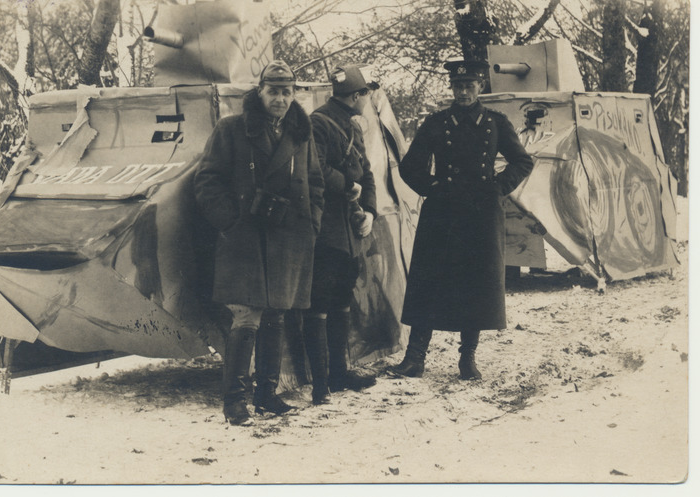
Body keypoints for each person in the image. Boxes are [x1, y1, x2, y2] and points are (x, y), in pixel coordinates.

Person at [193, 60, 325, 425]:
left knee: (277, 313)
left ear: (294, 94)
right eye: (273, 91)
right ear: (260, 92)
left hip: (289, 237)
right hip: (247, 238)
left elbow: (314, 183)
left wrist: (312, 223)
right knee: (247, 315)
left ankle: (267, 394)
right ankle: (235, 400)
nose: (280, 99)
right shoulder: (233, 128)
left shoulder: (301, 133)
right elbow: (207, 181)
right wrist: (232, 221)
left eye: (286, 92)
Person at [390, 59, 533, 380]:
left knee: (476, 284)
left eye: (469, 86)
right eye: (458, 86)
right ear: (451, 88)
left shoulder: (495, 123)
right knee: (428, 281)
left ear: (480, 87)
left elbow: (522, 161)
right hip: (442, 214)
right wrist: (433, 187)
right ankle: (415, 358)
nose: (463, 92)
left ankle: (467, 359)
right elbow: (410, 166)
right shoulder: (436, 123)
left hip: (481, 216)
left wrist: (497, 187)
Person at [302, 64, 379, 405]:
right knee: (320, 302)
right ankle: (321, 384)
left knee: (342, 299)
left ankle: (339, 372)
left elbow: (368, 172)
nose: (367, 98)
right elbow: (314, 168)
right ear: (356, 95)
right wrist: (348, 185)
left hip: (349, 230)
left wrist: (372, 212)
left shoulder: (351, 126)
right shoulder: (319, 122)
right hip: (326, 230)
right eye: (365, 93)